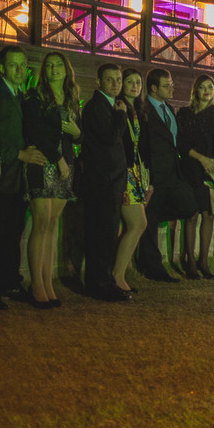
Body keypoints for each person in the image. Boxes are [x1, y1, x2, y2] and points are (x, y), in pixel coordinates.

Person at [0, 45, 45, 310]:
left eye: (22, 64)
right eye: (13, 65)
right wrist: (19, 154)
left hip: (16, 180)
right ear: (2, 68)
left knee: (13, 233)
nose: (19, 69)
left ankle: (8, 282)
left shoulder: (19, 96)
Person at [22, 51, 80, 308]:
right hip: (44, 162)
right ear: (44, 71)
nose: (54, 69)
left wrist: (77, 133)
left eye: (59, 65)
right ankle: (36, 284)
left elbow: (78, 135)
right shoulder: (35, 96)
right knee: (41, 223)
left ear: (67, 69)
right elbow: (34, 131)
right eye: (49, 66)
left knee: (53, 224)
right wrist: (58, 160)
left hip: (66, 165)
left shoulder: (72, 96)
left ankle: (48, 282)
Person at [137, 68, 197, 282]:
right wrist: (147, 174)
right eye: (167, 85)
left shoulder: (169, 109)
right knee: (150, 221)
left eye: (171, 84)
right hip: (154, 172)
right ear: (153, 88)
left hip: (173, 171)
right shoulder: (143, 110)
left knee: (189, 205)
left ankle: (150, 256)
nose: (172, 88)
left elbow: (176, 141)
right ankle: (153, 267)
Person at [80, 64, 131, 302]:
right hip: (102, 180)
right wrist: (121, 115)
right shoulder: (97, 107)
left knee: (108, 233)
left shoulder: (110, 105)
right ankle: (99, 284)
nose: (115, 84)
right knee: (101, 234)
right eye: (110, 79)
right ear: (98, 81)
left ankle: (105, 280)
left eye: (118, 79)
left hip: (111, 179)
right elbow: (111, 138)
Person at [177, 75, 214, 280]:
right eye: (202, 87)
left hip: (211, 172)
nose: (206, 91)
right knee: (191, 216)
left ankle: (203, 260)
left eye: (210, 87)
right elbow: (181, 143)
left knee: (209, 215)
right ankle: (190, 262)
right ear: (195, 91)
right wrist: (201, 159)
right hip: (191, 170)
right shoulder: (185, 114)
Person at [113, 69, 150, 296]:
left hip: (135, 173)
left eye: (138, 82)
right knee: (138, 223)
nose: (135, 86)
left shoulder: (138, 110)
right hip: (124, 172)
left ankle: (118, 274)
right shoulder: (119, 107)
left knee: (132, 225)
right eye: (130, 81)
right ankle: (117, 275)